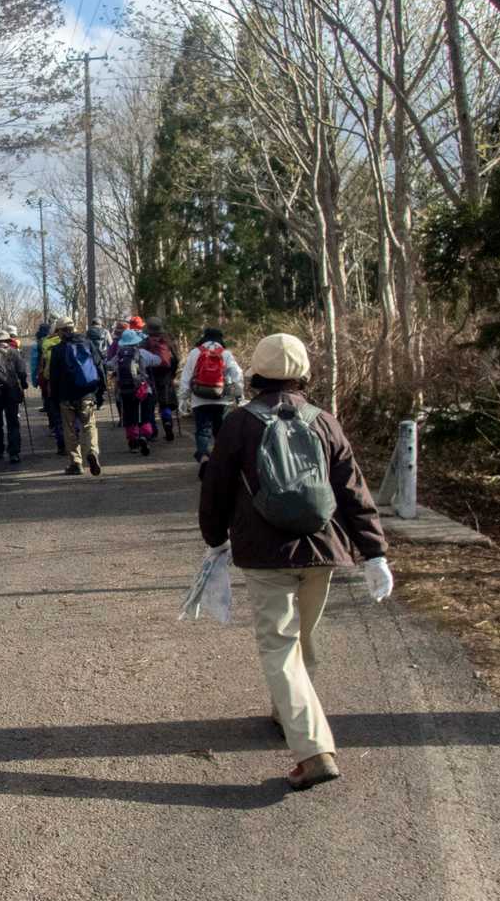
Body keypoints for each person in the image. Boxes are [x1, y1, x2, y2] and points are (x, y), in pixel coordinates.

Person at [199, 333, 392, 791]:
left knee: (280, 646)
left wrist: (215, 539)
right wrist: (374, 553)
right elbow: (352, 490)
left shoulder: (239, 423)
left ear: (257, 372)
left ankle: (313, 751)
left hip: (265, 553)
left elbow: (216, 487)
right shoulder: (324, 422)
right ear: (303, 372)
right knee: (302, 638)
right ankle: (287, 713)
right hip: (321, 548)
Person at [46, 316, 106, 476]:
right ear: (73, 328)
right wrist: (100, 391)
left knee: (70, 430)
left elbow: (53, 377)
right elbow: (100, 367)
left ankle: (76, 463)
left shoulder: (57, 350)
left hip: (66, 396)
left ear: (59, 332)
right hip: (87, 393)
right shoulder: (88, 343)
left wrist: (54, 400)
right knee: (89, 425)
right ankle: (92, 451)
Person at [179, 326, 242, 470]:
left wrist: (183, 398)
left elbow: (186, 376)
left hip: (199, 398)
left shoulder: (195, 352)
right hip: (221, 399)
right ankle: (222, 462)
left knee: (202, 430)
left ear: (204, 337)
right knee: (221, 432)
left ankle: (204, 458)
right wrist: (239, 394)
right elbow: (237, 374)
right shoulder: (225, 353)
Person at [0, 330, 28, 464]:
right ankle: (14, 453)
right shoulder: (14, 352)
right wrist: (23, 384)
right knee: (13, 422)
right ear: (7, 340)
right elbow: (21, 371)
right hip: (11, 391)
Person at [112, 327, 159, 455]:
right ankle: (144, 436)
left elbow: (109, 364)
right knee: (145, 415)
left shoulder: (119, 355)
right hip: (143, 389)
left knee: (129, 416)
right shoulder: (142, 353)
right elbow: (158, 361)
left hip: (125, 390)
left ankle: (133, 443)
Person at [143, 318, 180, 442]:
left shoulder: (145, 343)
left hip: (150, 377)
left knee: (150, 405)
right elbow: (176, 359)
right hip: (166, 377)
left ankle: (152, 432)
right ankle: (168, 423)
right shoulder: (168, 342)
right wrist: (172, 374)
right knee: (165, 404)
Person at [36, 322, 67, 455]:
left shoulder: (45, 343)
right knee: (71, 414)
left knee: (56, 413)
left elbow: (41, 365)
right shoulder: (72, 342)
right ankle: (75, 442)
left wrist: (39, 380)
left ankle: (61, 443)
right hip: (70, 384)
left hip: (52, 383)